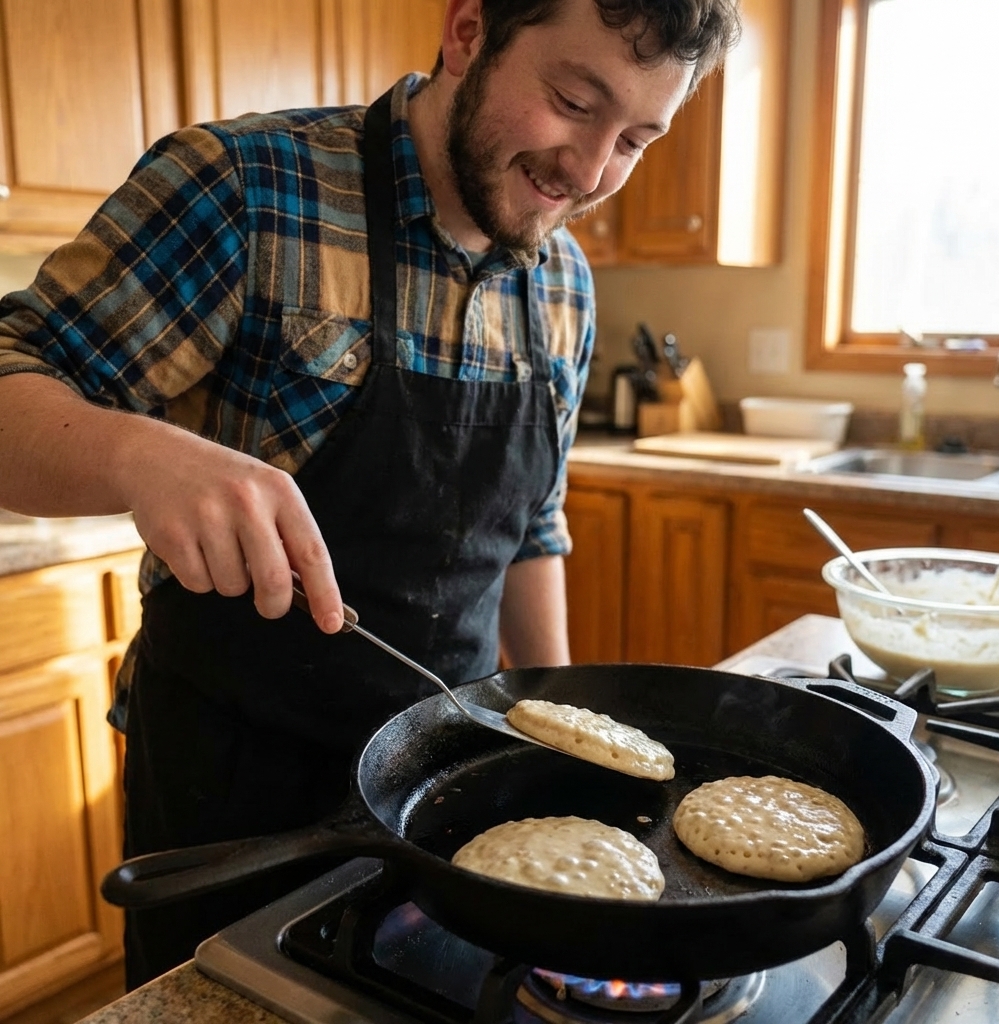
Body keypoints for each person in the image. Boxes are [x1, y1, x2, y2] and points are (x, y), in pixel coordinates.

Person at [0, 0, 739, 988]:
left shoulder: (561, 279)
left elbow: (529, 528)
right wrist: (135, 452)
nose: (591, 168)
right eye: (572, 100)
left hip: (452, 786)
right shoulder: (246, 190)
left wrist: (562, 729)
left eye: (636, 139)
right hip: (239, 791)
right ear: (469, 31)